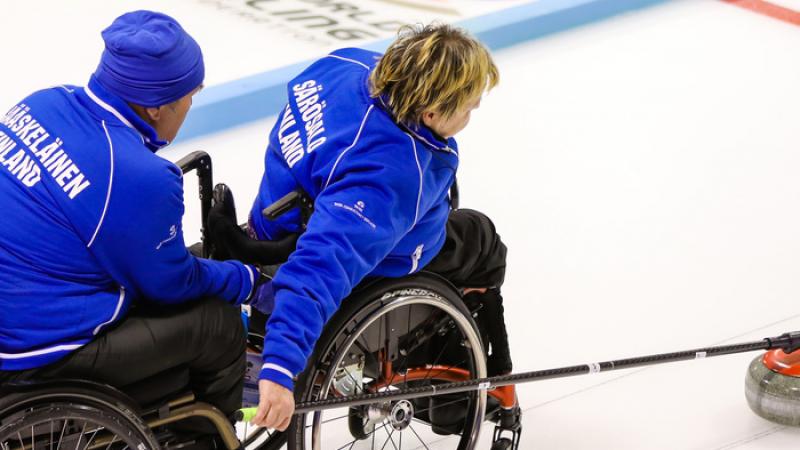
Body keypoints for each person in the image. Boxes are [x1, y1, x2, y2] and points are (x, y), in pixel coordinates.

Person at [210, 23, 512, 431]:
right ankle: (459, 398)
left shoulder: (341, 65)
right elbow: (319, 268)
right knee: (481, 240)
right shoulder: (389, 177)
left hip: (273, 223)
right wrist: (279, 369)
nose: (471, 114)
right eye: (468, 108)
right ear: (430, 113)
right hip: (346, 256)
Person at [0, 10, 268, 432]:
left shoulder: (44, 101)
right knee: (217, 323)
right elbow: (168, 285)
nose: (190, 107)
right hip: (30, 356)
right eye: (189, 96)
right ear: (158, 107)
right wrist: (245, 280)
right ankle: (209, 439)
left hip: (19, 304)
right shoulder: (139, 175)